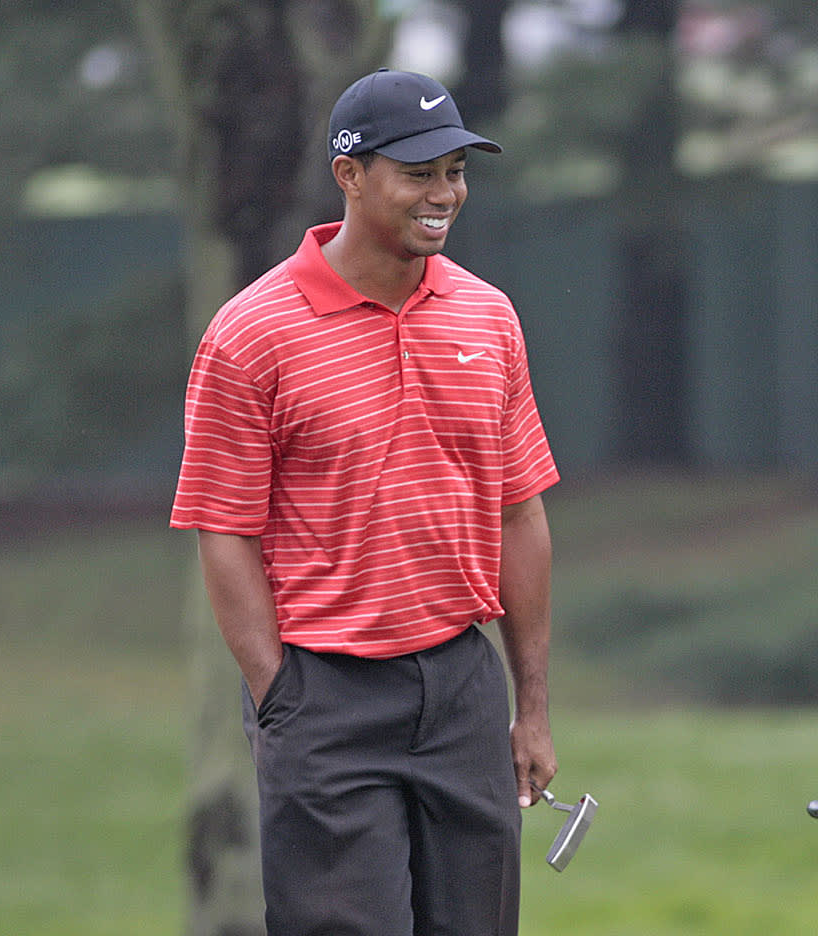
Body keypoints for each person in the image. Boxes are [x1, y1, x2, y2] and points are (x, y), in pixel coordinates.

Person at [171, 68, 560, 936]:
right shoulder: (251, 333)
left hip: (461, 684)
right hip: (326, 692)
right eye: (419, 173)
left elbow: (519, 513)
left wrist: (528, 708)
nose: (445, 194)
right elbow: (224, 532)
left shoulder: (488, 318)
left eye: (456, 170)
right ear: (349, 175)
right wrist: (282, 697)